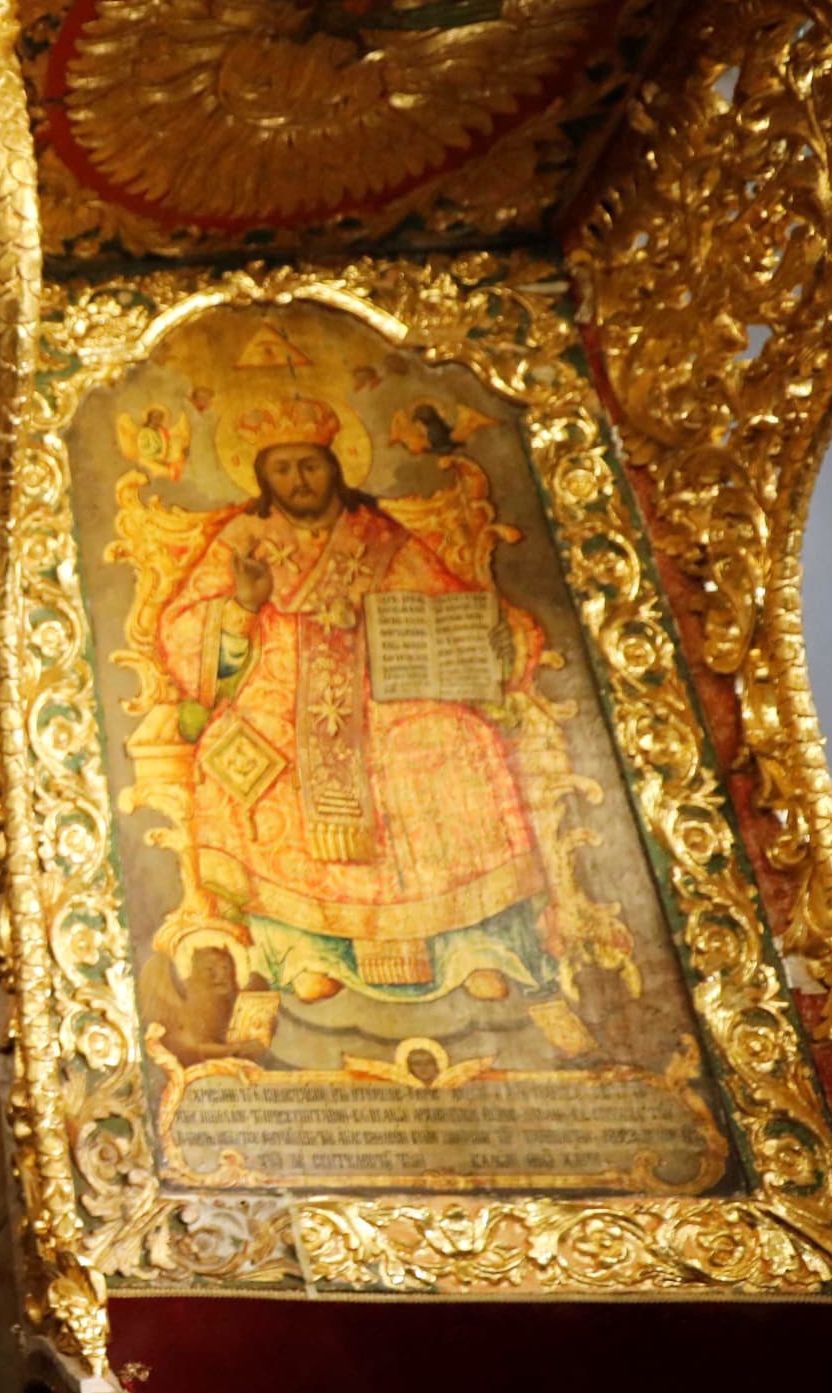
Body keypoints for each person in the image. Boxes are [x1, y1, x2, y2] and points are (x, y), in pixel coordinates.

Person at [148, 397, 559, 1006]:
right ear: (263, 476)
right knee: (256, 766)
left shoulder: (377, 535)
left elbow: (447, 604)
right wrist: (243, 604)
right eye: (283, 469)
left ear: (334, 466)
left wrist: (492, 636)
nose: (298, 481)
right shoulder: (244, 538)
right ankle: (303, 953)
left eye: (309, 465)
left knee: (456, 745)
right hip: (279, 691)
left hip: (385, 693)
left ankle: (474, 947)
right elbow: (184, 635)